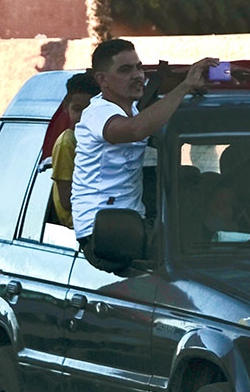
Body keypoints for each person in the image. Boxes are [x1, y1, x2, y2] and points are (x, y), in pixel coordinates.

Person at [72, 39, 216, 267]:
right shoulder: (97, 113)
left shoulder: (134, 109)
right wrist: (185, 87)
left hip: (134, 223)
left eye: (139, 67)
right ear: (102, 80)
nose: (137, 75)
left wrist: (217, 73)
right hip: (101, 233)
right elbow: (135, 129)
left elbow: (163, 85)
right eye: (125, 70)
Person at [42, 72, 101, 159]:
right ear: (66, 107)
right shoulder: (67, 143)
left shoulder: (108, 141)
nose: (83, 116)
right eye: (77, 109)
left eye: (89, 110)